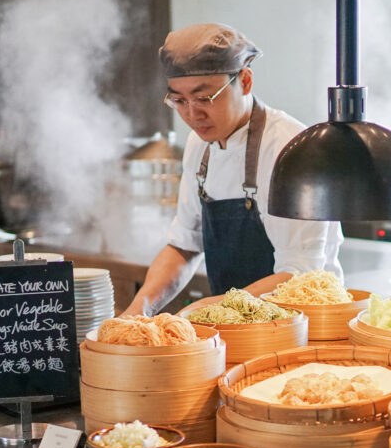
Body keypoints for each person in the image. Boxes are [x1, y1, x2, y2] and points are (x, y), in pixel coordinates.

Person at [122, 23, 343, 316]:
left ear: (246, 81)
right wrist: (139, 310)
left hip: (303, 327)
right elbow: (184, 245)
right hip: (234, 325)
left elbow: (299, 274)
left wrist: (204, 309)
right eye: (179, 100)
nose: (192, 114)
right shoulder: (199, 146)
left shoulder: (291, 148)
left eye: (204, 98)